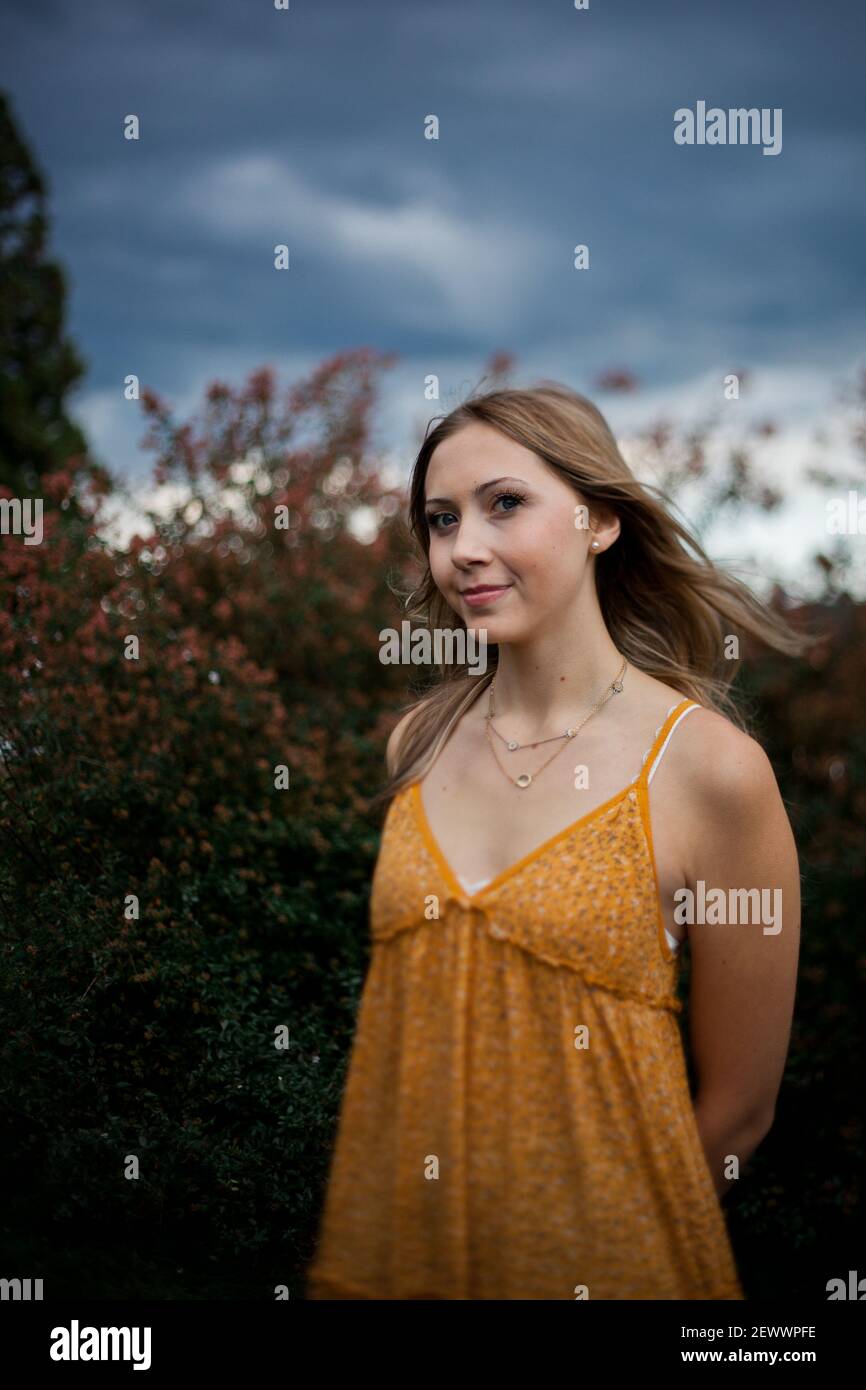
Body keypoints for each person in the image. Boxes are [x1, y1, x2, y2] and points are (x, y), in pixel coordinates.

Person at [305, 382, 806, 1300]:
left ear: (600, 519)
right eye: (441, 519)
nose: (465, 549)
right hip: (392, 1263)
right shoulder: (415, 746)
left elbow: (738, 1111)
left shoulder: (710, 773)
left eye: (505, 504)